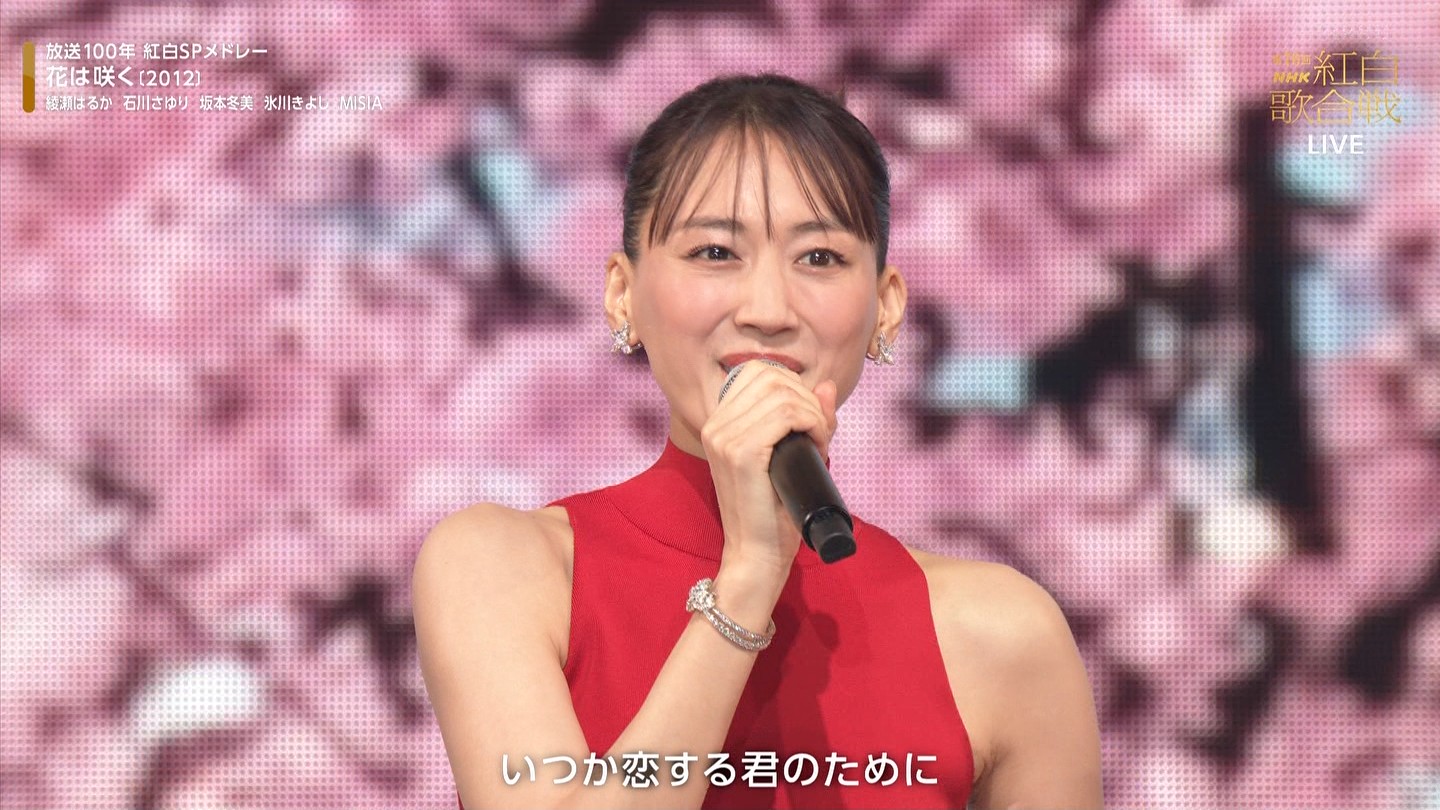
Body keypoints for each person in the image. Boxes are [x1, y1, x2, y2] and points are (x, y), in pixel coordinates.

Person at [413, 72, 1102, 809]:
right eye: (715, 253)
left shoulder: (999, 633)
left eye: (820, 258)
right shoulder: (503, 568)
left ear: (885, 308)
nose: (768, 309)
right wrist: (747, 581)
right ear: (622, 294)